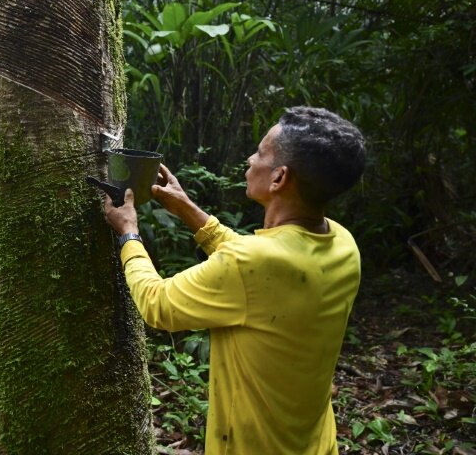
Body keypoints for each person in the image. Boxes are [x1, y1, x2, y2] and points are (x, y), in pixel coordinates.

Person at [104, 106, 366, 454]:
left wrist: (128, 233)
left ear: (279, 178)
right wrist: (189, 210)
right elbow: (262, 267)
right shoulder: (343, 244)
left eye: (259, 153)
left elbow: (158, 304)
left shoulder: (252, 262)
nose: (250, 158)